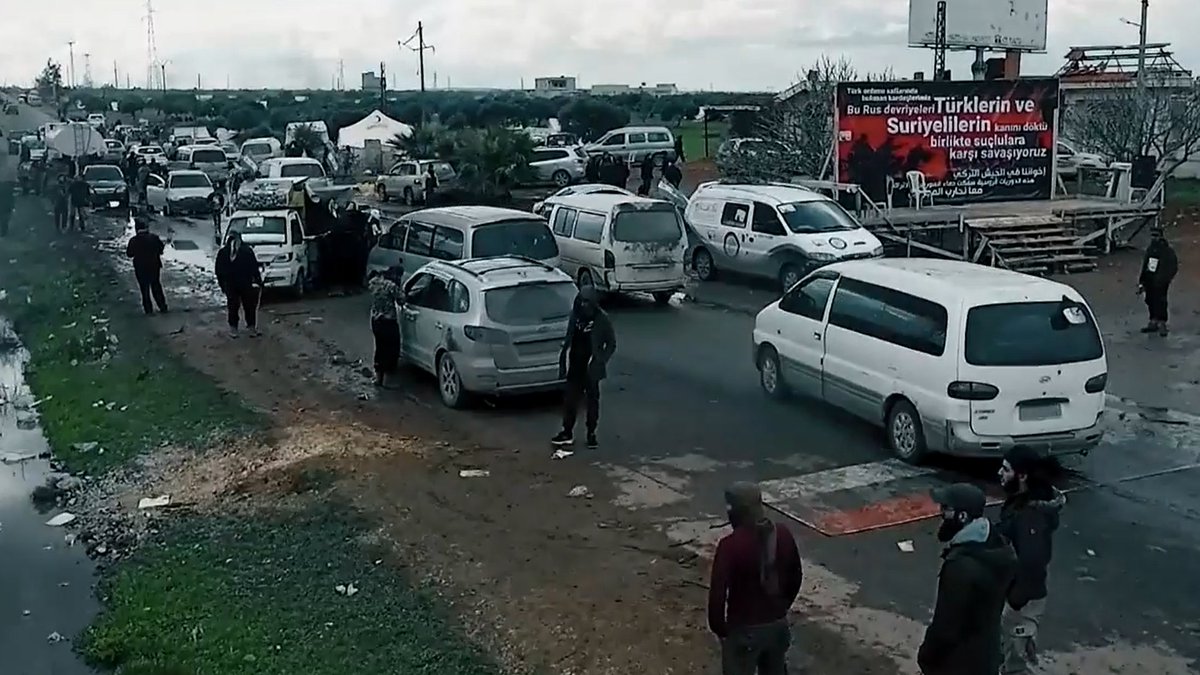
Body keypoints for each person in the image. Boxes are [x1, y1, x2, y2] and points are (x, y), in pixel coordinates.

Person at [919, 483, 1017, 675]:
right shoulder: (999, 546)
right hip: (986, 657)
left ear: (962, 516)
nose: (941, 513)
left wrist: (926, 657)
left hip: (957, 664)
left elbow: (946, 628)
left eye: (946, 509)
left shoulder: (960, 567)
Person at [708, 482, 804, 675]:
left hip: (744, 630)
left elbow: (717, 596)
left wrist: (721, 628)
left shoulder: (729, 546)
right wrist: (782, 607)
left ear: (734, 512)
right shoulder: (783, 534)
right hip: (777, 626)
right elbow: (796, 577)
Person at [995, 447, 1066, 674]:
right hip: (1018, 597)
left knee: (1017, 664)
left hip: (1022, 603)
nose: (1000, 473)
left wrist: (1014, 602)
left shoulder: (1030, 516)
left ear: (1022, 476)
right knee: (1008, 658)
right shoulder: (1024, 504)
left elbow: (1032, 564)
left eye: (1006, 469)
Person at [552, 286, 616, 449]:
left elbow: (611, 343)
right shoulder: (575, 315)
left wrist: (601, 360)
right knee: (570, 401)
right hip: (575, 364)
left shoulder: (602, 319)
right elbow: (569, 338)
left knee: (592, 402)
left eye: (587, 301)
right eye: (581, 300)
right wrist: (563, 360)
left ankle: (591, 433)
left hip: (591, 368)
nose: (583, 304)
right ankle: (567, 432)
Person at [214, 230, 263, 338]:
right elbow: (254, 268)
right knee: (244, 306)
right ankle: (248, 327)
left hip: (234, 284)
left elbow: (219, 270)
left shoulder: (225, 252)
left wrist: (222, 284)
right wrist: (258, 281)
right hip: (240, 283)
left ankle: (237, 328)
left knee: (236, 306)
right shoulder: (245, 251)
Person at [368, 266, 404, 386]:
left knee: (380, 348)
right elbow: (402, 300)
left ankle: (379, 378)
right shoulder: (391, 286)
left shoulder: (373, 284)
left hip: (375, 321)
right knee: (392, 347)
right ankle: (389, 377)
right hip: (388, 322)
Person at [1137, 228, 1178, 336]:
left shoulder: (1166, 250)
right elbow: (1145, 264)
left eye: (1156, 236)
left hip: (1160, 281)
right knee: (1150, 300)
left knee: (1160, 301)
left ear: (1161, 236)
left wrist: (1164, 279)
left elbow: (1172, 267)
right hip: (1150, 279)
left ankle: (1162, 323)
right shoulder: (1151, 249)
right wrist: (1142, 280)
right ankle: (1153, 321)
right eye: (1152, 236)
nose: (1153, 238)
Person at [124, 217, 169, 314]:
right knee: (156, 286)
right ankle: (162, 306)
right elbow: (160, 251)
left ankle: (148, 310)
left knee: (144, 290)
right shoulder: (154, 238)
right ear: (146, 228)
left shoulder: (134, 241)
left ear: (136, 229)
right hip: (154, 266)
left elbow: (129, 254)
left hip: (140, 268)